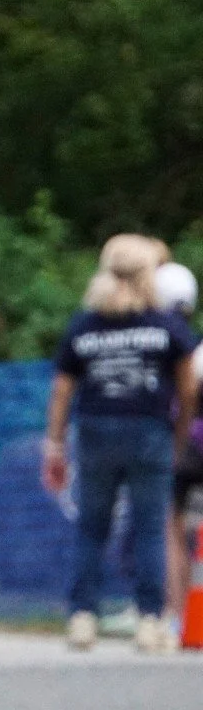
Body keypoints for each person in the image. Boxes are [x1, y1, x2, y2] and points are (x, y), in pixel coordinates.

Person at [42, 234, 196, 652]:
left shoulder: (85, 325)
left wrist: (54, 444)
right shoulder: (165, 326)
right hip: (150, 432)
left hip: (95, 431)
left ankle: (82, 617)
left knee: (92, 526)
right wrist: (179, 434)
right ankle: (150, 620)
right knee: (150, 528)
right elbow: (187, 388)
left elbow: (62, 390)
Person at [154, 261, 203, 631]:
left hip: (181, 448)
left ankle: (176, 614)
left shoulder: (157, 344)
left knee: (172, 528)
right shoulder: (195, 345)